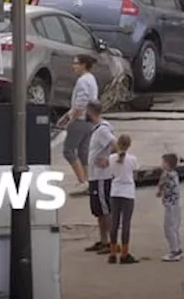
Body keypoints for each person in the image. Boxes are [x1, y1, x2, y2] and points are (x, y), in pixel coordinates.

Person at [57, 55, 99, 191]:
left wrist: (70, 119)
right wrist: (66, 115)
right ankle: (89, 180)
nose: (73, 66)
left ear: (83, 65)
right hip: (89, 120)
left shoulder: (82, 81)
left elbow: (81, 102)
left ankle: (82, 181)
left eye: (76, 63)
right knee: (83, 151)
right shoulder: (91, 79)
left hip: (80, 120)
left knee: (68, 150)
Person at [85, 101, 116, 253]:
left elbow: (115, 145)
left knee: (105, 210)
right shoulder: (97, 129)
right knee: (98, 210)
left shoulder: (103, 130)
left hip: (102, 176)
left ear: (90, 112)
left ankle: (111, 241)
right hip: (95, 177)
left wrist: (109, 159)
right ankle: (104, 240)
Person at [108, 134, 139, 264]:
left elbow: (111, 173)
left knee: (114, 222)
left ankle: (113, 253)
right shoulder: (132, 159)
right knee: (126, 223)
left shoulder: (111, 158)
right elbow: (135, 174)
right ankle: (125, 254)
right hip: (128, 192)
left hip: (115, 191)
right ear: (129, 145)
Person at [157, 152, 183, 261]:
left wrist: (159, 190)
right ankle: (177, 247)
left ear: (167, 164)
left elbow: (162, 183)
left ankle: (174, 251)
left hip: (170, 205)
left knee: (168, 228)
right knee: (175, 227)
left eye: (163, 162)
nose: (161, 164)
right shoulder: (174, 173)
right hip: (176, 204)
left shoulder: (167, 174)